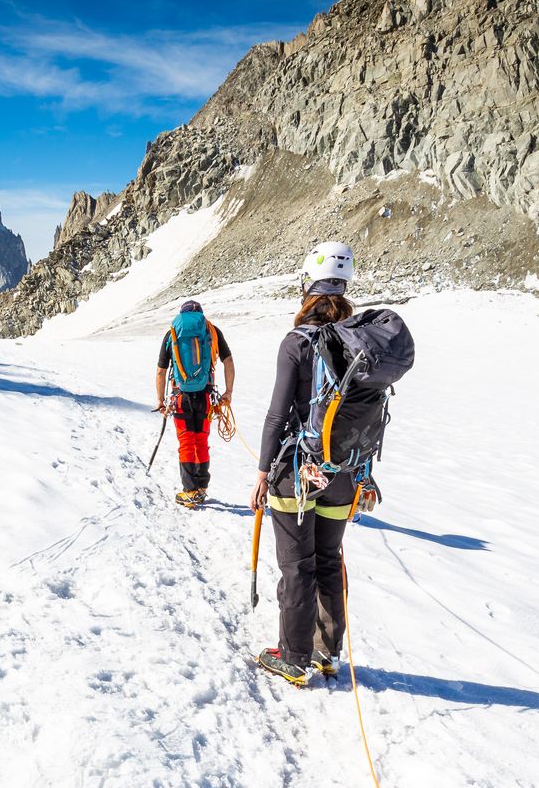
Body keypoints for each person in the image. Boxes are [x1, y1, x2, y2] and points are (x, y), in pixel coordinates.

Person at [249, 242, 385, 687]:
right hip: (346, 474)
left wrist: (264, 471)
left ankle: (293, 656)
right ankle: (327, 653)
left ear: (308, 284)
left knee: (296, 564)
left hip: (299, 473)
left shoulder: (297, 342)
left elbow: (276, 414)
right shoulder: (360, 342)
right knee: (328, 558)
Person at [154, 300, 236, 507]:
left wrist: (160, 400)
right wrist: (229, 391)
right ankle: (201, 487)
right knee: (201, 440)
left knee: (186, 442)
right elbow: (228, 361)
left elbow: (161, 371)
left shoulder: (173, 332)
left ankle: (190, 491)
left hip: (180, 397)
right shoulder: (211, 330)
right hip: (206, 396)